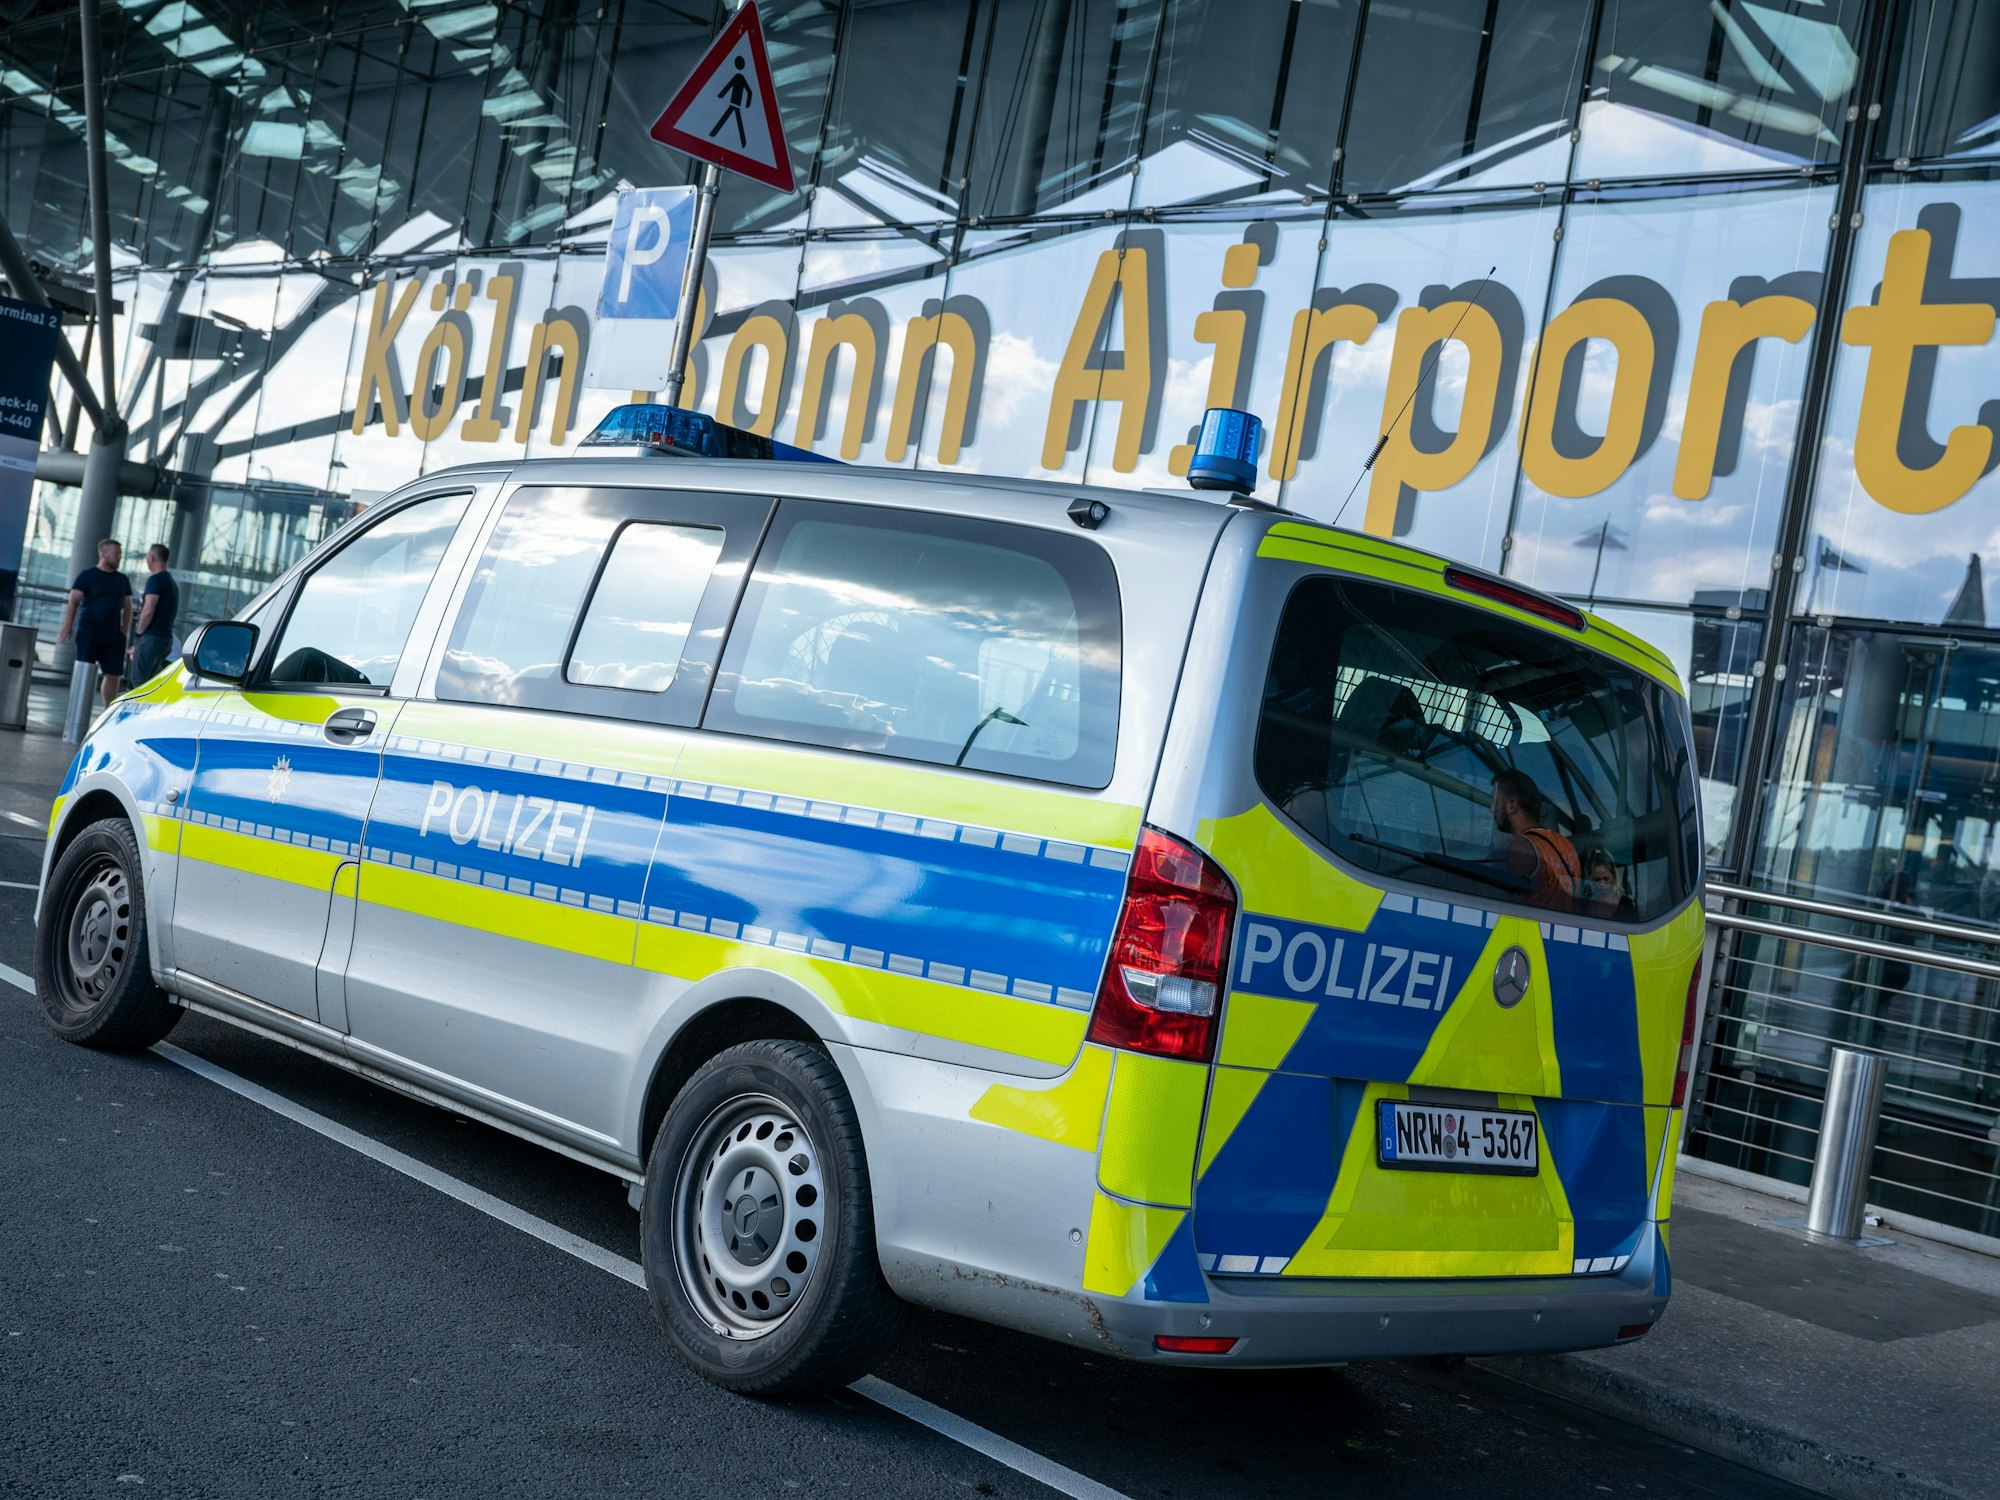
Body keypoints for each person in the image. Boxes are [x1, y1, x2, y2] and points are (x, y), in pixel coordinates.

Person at [56, 538, 133, 711]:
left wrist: (124, 631)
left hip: (113, 634)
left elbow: (127, 607)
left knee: (113, 673)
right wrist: (68, 625)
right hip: (89, 631)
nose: (119, 556)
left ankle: (107, 710)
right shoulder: (87, 576)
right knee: (84, 670)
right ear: (104, 554)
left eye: (120, 553)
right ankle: (77, 709)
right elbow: (73, 600)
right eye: (116, 553)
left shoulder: (122, 579)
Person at [1491, 767, 1580, 911]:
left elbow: (1507, 905)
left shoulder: (1519, 847)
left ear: (1512, 805)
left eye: (1495, 802)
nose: (1491, 809)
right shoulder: (1566, 845)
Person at [128, 543, 179, 685]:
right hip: (165, 639)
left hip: (151, 638)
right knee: (150, 682)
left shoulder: (155, 580)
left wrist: (138, 634)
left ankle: (140, 707)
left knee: (138, 680)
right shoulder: (171, 583)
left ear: (151, 558)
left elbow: (149, 609)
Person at [1583, 846, 1627, 920]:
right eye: (1597, 880)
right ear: (1591, 880)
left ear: (1614, 877)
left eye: (1606, 879)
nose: (1602, 884)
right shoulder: (1584, 903)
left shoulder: (1626, 904)